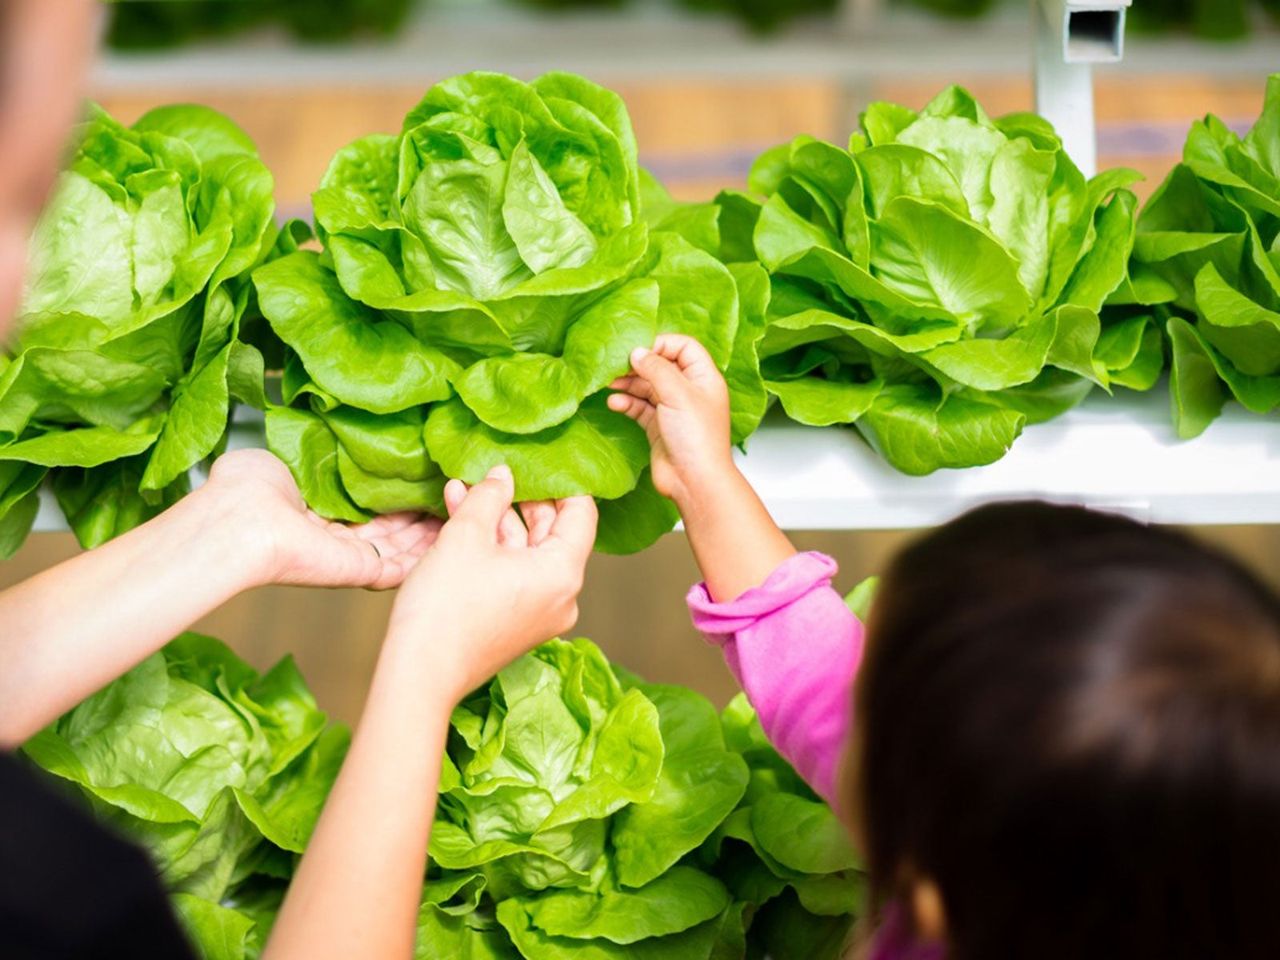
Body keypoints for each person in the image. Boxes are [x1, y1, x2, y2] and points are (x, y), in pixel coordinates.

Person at [0, 3, 598, 959]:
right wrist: (423, 671)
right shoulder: (56, 908)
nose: (23, 270)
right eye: (23, 198)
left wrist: (225, 533)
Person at [609, 335, 1280, 960]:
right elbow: (812, 670)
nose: (847, 689)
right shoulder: (1006, 835)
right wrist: (703, 477)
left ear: (925, 885)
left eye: (866, 696)